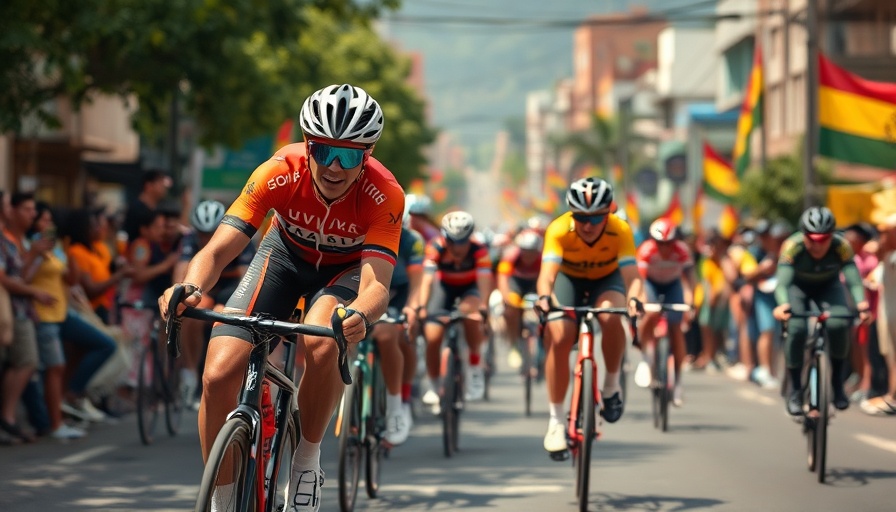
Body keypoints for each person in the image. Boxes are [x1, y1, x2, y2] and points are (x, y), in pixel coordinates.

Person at [159, 84, 403, 512]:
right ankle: (223, 497)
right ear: (307, 144)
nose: (333, 166)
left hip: (342, 274)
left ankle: (306, 461)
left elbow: (376, 286)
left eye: (349, 155)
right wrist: (192, 288)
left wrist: (359, 315)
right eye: (324, 151)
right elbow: (218, 249)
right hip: (283, 258)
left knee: (323, 340)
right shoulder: (277, 171)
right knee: (217, 376)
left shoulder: (384, 195)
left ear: (368, 155)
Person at [535, 177, 643, 457]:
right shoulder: (558, 229)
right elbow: (547, 275)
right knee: (559, 334)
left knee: (610, 316)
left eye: (596, 218)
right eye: (582, 217)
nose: (588, 226)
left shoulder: (620, 229)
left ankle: (610, 386)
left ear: (608, 213)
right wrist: (545, 298)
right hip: (568, 280)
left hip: (606, 281)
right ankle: (557, 420)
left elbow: (632, 277)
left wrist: (634, 300)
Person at [773, 206, 872, 416]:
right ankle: (796, 392)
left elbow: (853, 279)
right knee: (796, 328)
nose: (818, 245)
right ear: (803, 235)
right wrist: (782, 305)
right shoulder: (792, 246)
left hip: (829, 287)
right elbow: (782, 284)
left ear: (832, 236)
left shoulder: (842, 246)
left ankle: (837, 384)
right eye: (812, 239)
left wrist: (862, 304)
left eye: (824, 239)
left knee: (838, 323)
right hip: (797, 289)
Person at [173, 200, 256, 408]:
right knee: (191, 314)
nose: (206, 238)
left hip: (232, 288)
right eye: (202, 233)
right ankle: (190, 372)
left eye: (211, 233)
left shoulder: (239, 236)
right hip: (205, 287)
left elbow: (246, 277)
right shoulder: (189, 240)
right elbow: (180, 275)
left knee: (221, 320)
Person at [418, 210, 494, 408]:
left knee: (472, 316)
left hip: (470, 289)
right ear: (445, 237)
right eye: (452, 241)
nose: (457, 247)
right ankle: (434, 385)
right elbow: (426, 280)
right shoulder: (435, 247)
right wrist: (422, 307)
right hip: (444, 289)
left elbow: (485, 280)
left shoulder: (479, 250)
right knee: (433, 336)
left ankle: (475, 367)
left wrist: (484, 304)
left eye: (462, 242)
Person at [0, 192, 56, 442]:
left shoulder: (18, 241)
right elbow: (6, 278)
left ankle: (9, 418)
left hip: (21, 311)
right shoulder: (5, 240)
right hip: (11, 311)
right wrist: (34, 291)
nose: (32, 215)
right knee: (26, 361)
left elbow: (21, 275)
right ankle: (8, 416)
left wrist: (34, 255)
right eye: (27, 209)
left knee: (22, 362)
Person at [370, 210, 424, 446]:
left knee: (391, 336)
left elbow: (418, 280)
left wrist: (413, 307)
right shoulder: (365, 230)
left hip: (398, 295)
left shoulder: (413, 241)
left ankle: (398, 405)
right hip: (368, 291)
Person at [633, 218, 694, 407]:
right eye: (660, 244)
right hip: (650, 284)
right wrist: (642, 303)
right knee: (650, 314)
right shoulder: (645, 251)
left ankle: (677, 382)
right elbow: (640, 282)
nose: (665, 248)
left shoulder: (682, 251)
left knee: (676, 328)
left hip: (672, 286)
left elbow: (690, 279)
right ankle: (645, 357)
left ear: (675, 242)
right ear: (653, 241)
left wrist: (691, 303)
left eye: (669, 244)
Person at [496, 228, 543, 368]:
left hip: (535, 284)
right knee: (510, 310)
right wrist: (507, 299)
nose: (528, 255)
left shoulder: (542, 259)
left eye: (532, 252)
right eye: (525, 251)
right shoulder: (511, 256)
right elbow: (503, 279)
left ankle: (542, 345)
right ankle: (514, 344)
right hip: (516, 285)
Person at [122, 170, 172, 244]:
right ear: (149, 185)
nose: (164, 187)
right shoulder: (136, 209)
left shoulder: (160, 208)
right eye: (160, 183)